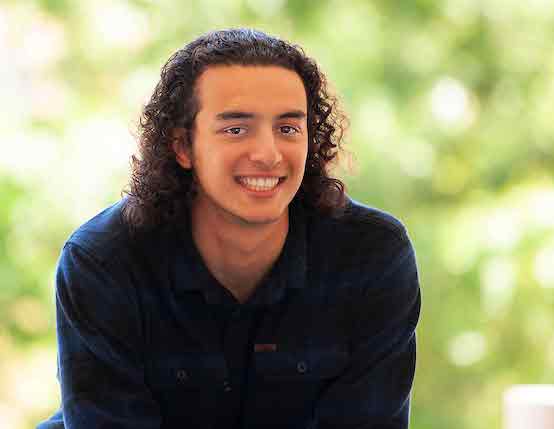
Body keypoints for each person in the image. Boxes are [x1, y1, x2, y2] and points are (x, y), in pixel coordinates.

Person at [37, 28, 421, 429]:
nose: (269, 154)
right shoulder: (104, 262)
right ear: (182, 146)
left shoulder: (371, 255)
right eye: (236, 129)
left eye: (288, 128)